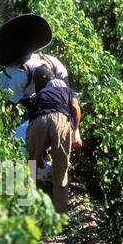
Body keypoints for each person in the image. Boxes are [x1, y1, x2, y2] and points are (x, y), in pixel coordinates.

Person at [25, 70, 82, 215]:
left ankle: (28, 211)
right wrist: (75, 130)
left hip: (38, 120)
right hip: (60, 119)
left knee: (31, 167)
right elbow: (75, 108)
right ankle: (60, 216)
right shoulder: (68, 91)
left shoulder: (40, 94)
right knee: (61, 170)